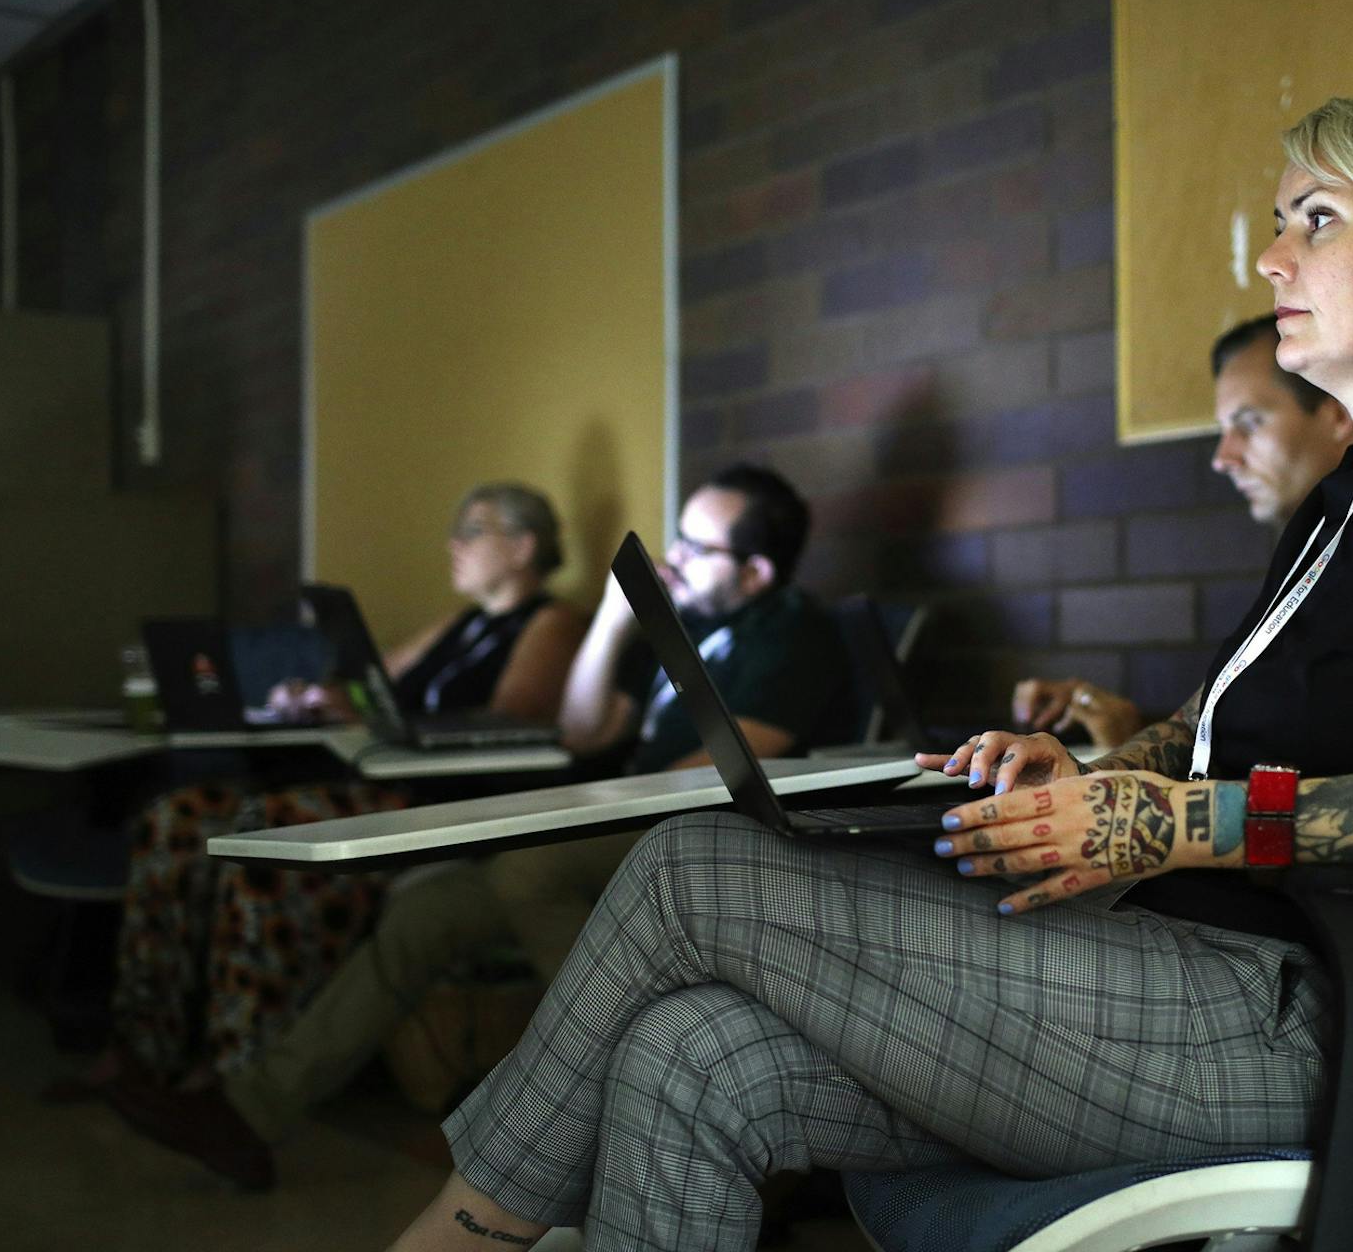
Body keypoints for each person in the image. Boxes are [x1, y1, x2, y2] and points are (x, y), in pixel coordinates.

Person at [389, 75, 1353, 1250]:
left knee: (688, 867)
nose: (1270, 258)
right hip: (1160, 970)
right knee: (690, 1052)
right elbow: (1208, 735)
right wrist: (1088, 769)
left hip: (1293, 1017)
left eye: (1316, 220)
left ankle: (458, 1234)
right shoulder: (1341, 503)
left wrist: (1181, 820)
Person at [108, 464, 857, 1191]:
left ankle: (629, 1123)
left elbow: (728, 770)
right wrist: (612, 619)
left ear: (755, 573)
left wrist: (580, 806)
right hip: (625, 821)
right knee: (427, 913)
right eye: (679, 539)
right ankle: (248, 1115)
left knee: (528, 872)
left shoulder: (790, 633)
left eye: (698, 546)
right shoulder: (679, 628)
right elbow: (582, 731)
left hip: (707, 835)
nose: (676, 558)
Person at [89, 486, 586, 1134]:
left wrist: (368, 713)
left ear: (522, 547)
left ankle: (230, 1077)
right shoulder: (463, 621)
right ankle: (145, 1047)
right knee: (175, 820)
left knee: (262, 841)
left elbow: (507, 722)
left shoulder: (555, 623)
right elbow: (373, 681)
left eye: (472, 530)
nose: (453, 544)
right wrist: (323, 696)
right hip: (376, 784)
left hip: (436, 804)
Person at [1015, 315, 1353, 747]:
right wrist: (1133, 737)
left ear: (1338, 414)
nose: (1222, 457)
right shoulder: (1310, 547)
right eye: (1224, 430)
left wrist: (1135, 754)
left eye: (1248, 423)